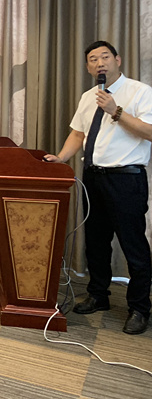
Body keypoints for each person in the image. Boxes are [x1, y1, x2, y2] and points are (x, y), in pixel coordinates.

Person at [44, 41, 152, 335]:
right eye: (93, 59)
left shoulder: (140, 92)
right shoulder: (88, 96)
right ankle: (98, 295)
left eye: (105, 57)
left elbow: (149, 132)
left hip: (126, 179)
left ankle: (140, 308)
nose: (100, 62)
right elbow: (78, 133)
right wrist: (61, 158)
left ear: (118, 60)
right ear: (88, 67)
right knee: (96, 242)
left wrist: (116, 111)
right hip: (93, 177)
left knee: (133, 246)